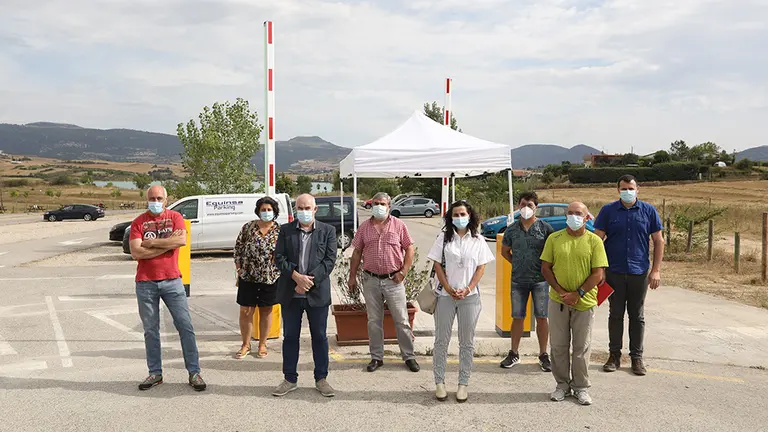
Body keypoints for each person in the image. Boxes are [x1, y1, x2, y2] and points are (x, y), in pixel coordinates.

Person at [129, 185, 205, 391]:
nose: (156, 201)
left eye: (159, 198)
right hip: (145, 282)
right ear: (147, 199)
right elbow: (136, 252)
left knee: (185, 326)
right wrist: (166, 245)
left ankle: (194, 372)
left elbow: (181, 240)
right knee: (150, 330)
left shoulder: (175, 217)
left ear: (166, 199)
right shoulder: (139, 222)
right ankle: (155, 373)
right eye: (152, 198)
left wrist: (151, 244)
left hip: (172, 281)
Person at [594, 175, 664, 376]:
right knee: (615, 314)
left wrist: (656, 270)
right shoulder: (608, 211)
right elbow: (597, 240)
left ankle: (636, 358)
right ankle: (614, 355)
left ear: (637, 189)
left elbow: (658, 241)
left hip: (639, 272)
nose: (627, 191)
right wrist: (599, 270)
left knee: (637, 316)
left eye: (631, 188)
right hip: (613, 271)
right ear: (618, 190)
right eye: (623, 188)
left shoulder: (648, 211)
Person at [540, 201, 607, 406]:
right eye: (570, 213)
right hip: (558, 301)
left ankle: (581, 387)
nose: (573, 216)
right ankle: (562, 385)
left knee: (581, 347)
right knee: (558, 346)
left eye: (578, 213)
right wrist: (561, 292)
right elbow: (546, 268)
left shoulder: (595, 241)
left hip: (584, 301)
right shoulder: (554, 238)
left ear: (587, 217)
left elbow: (598, 274)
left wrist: (578, 293)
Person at [272, 193, 338, 397]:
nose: (304, 211)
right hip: (291, 294)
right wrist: (295, 277)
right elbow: (279, 258)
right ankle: (289, 379)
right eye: (300, 208)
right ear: (295, 210)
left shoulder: (328, 231)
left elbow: (329, 261)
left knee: (319, 337)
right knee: (290, 337)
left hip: (316, 294)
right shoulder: (285, 230)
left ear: (315, 209)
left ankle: (321, 378)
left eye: (307, 208)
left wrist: (307, 282)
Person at [428, 200, 494, 403]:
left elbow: (481, 267)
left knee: (466, 343)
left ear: (470, 215)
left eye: (462, 214)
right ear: (450, 217)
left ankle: (463, 383)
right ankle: (439, 382)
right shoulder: (443, 238)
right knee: (441, 340)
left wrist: (468, 288)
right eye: (455, 215)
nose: (459, 218)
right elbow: (437, 265)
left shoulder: (478, 240)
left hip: (470, 298)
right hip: (445, 297)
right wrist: (448, 287)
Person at [348, 192, 419, 373]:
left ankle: (409, 356)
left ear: (389, 206)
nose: (379, 206)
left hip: (393, 280)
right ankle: (376, 357)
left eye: (383, 204)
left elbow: (409, 249)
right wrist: (352, 276)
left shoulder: (399, 225)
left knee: (402, 320)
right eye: (376, 203)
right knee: (374, 321)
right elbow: (357, 252)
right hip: (371, 280)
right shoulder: (364, 227)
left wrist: (403, 272)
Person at [499, 191, 554, 371]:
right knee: (517, 317)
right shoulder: (512, 229)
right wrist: (517, 263)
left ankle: (543, 354)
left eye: (529, 205)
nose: (526, 208)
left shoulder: (545, 229)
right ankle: (514, 353)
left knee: (542, 317)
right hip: (518, 280)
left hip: (540, 280)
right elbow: (505, 251)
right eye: (523, 205)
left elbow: (552, 254)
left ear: (536, 207)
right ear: (518, 206)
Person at [233, 196, 281, 359]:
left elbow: (285, 253)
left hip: (270, 277)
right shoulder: (248, 227)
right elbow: (238, 249)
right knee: (246, 311)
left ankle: (262, 343)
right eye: (263, 209)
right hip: (248, 276)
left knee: (266, 311)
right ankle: (245, 344)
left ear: (274, 212)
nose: (266, 212)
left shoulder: (279, 230)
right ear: (258, 211)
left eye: (269, 210)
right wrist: (239, 270)